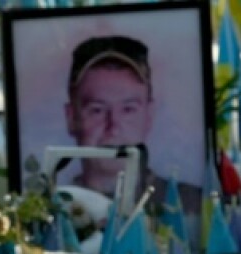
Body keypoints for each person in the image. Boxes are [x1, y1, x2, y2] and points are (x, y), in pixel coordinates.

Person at [63, 36, 200, 222]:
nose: (113, 127)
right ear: (71, 118)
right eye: (97, 110)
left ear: (149, 115)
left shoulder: (191, 206)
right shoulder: (47, 214)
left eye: (128, 109)